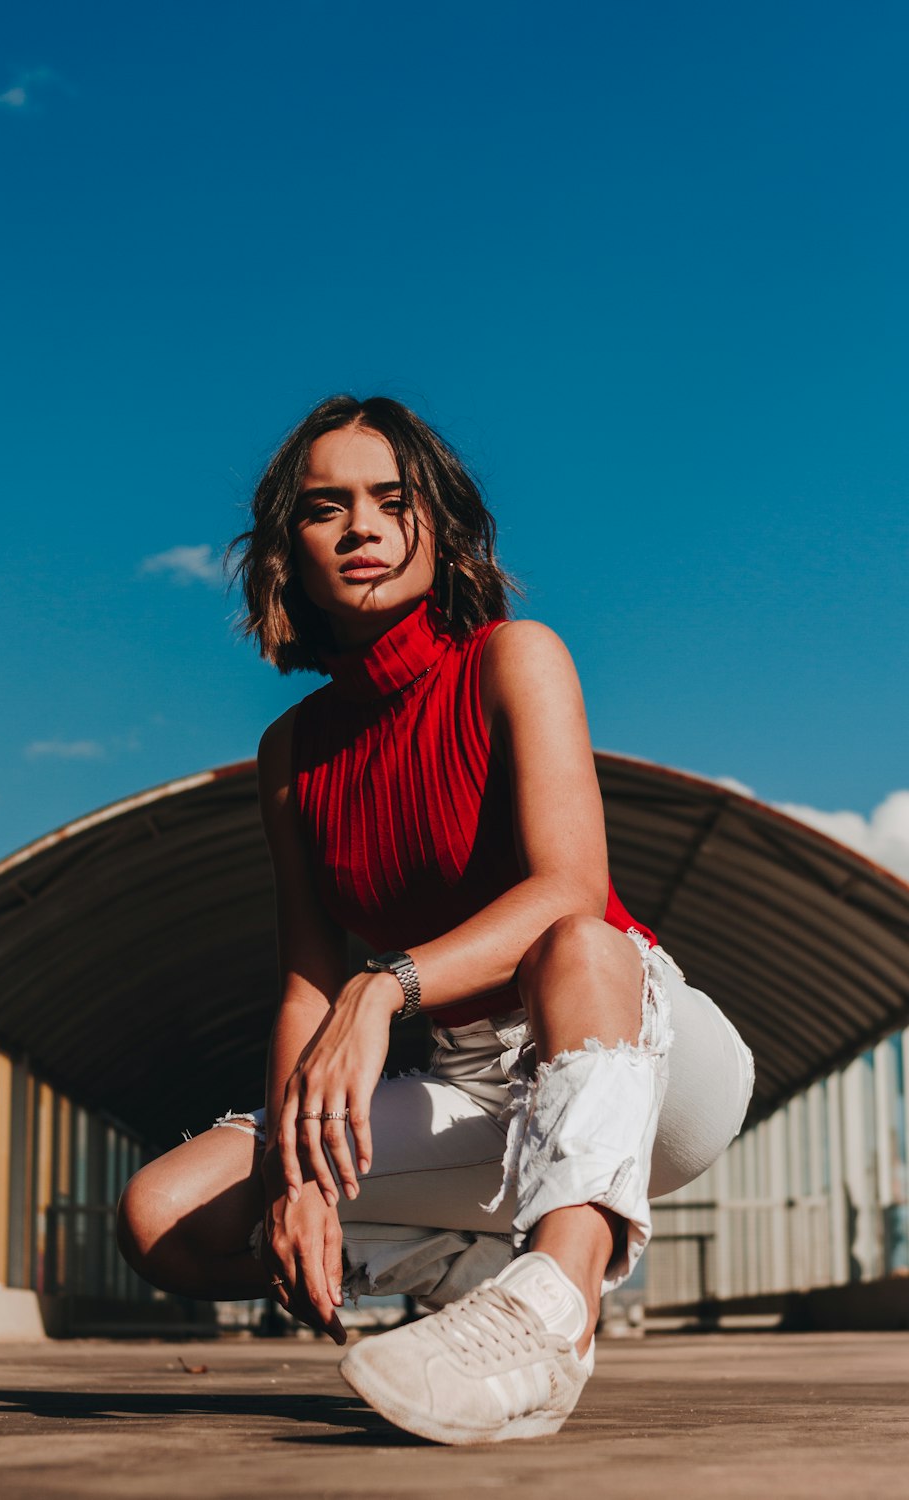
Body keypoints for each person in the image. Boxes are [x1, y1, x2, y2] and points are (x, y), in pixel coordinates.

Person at [117, 395, 754, 1446]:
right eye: (327, 508)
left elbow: (570, 893)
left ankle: (549, 1314)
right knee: (165, 1218)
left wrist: (387, 985)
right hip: (472, 1089)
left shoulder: (515, 658)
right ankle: (474, 1286)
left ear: (438, 526)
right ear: (293, 549)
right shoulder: (292, 754)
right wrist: (295, 1179)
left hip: (636, 1048)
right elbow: (304, 986)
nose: (360, 528)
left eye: (389, 500)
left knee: (575, 941)